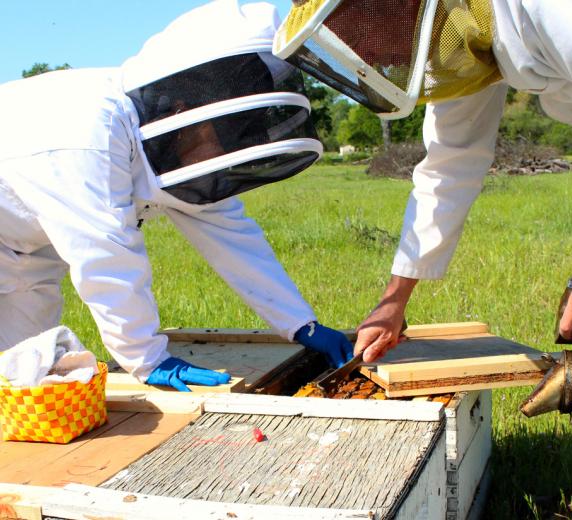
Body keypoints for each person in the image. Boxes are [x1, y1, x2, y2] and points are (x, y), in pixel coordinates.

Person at [273, 0, 572, 517]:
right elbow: (449, 166)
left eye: (364, 31)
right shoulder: (469, 38)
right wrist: (393, 300)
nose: (372, 52)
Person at [0, 0, 353, 394]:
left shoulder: (164, 142)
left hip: (25, 254)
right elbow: (104, 254)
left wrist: (299, 322)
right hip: (17, 236)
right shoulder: (85, 135)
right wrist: (146, 357)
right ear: (189, 108)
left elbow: (233, 236)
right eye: (227, 131)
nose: (227, 148)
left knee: (22, 379)